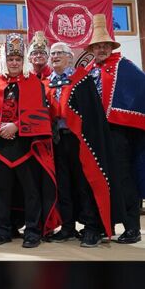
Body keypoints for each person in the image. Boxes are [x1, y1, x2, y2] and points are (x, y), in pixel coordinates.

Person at [0, 33, 60, 248]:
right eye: (10, 59)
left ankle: (32, 231)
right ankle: (2, 229)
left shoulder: (34, 84)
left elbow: (41, 113)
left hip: (27, 146)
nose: (14, 63)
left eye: (18, 59)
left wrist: (16, 126)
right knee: (0, 190)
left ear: (24, 60)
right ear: (4, 61)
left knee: (31, 191)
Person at [44, 42, 114, 247]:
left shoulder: (82, 80)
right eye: (53, 53)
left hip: (80, 140)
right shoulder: (48, 82)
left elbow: (92, 114)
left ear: (69, 57)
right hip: (57, 140)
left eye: (59, 53)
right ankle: (67, 226)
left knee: (84, 183)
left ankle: (92, 226)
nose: (55, 56)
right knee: (63, 184)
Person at [85, 14, 145, 244]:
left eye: (104, 46)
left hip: (118, 133)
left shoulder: (124, 66)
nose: (101, 49)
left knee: (123, 179)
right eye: (97, 46)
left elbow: (142, 88)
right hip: (95, 134)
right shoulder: (89, 70)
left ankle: (132, 228)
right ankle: (105, 225)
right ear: (92, 48)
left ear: (110, 46)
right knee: (101, 179)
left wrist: (124, 116)